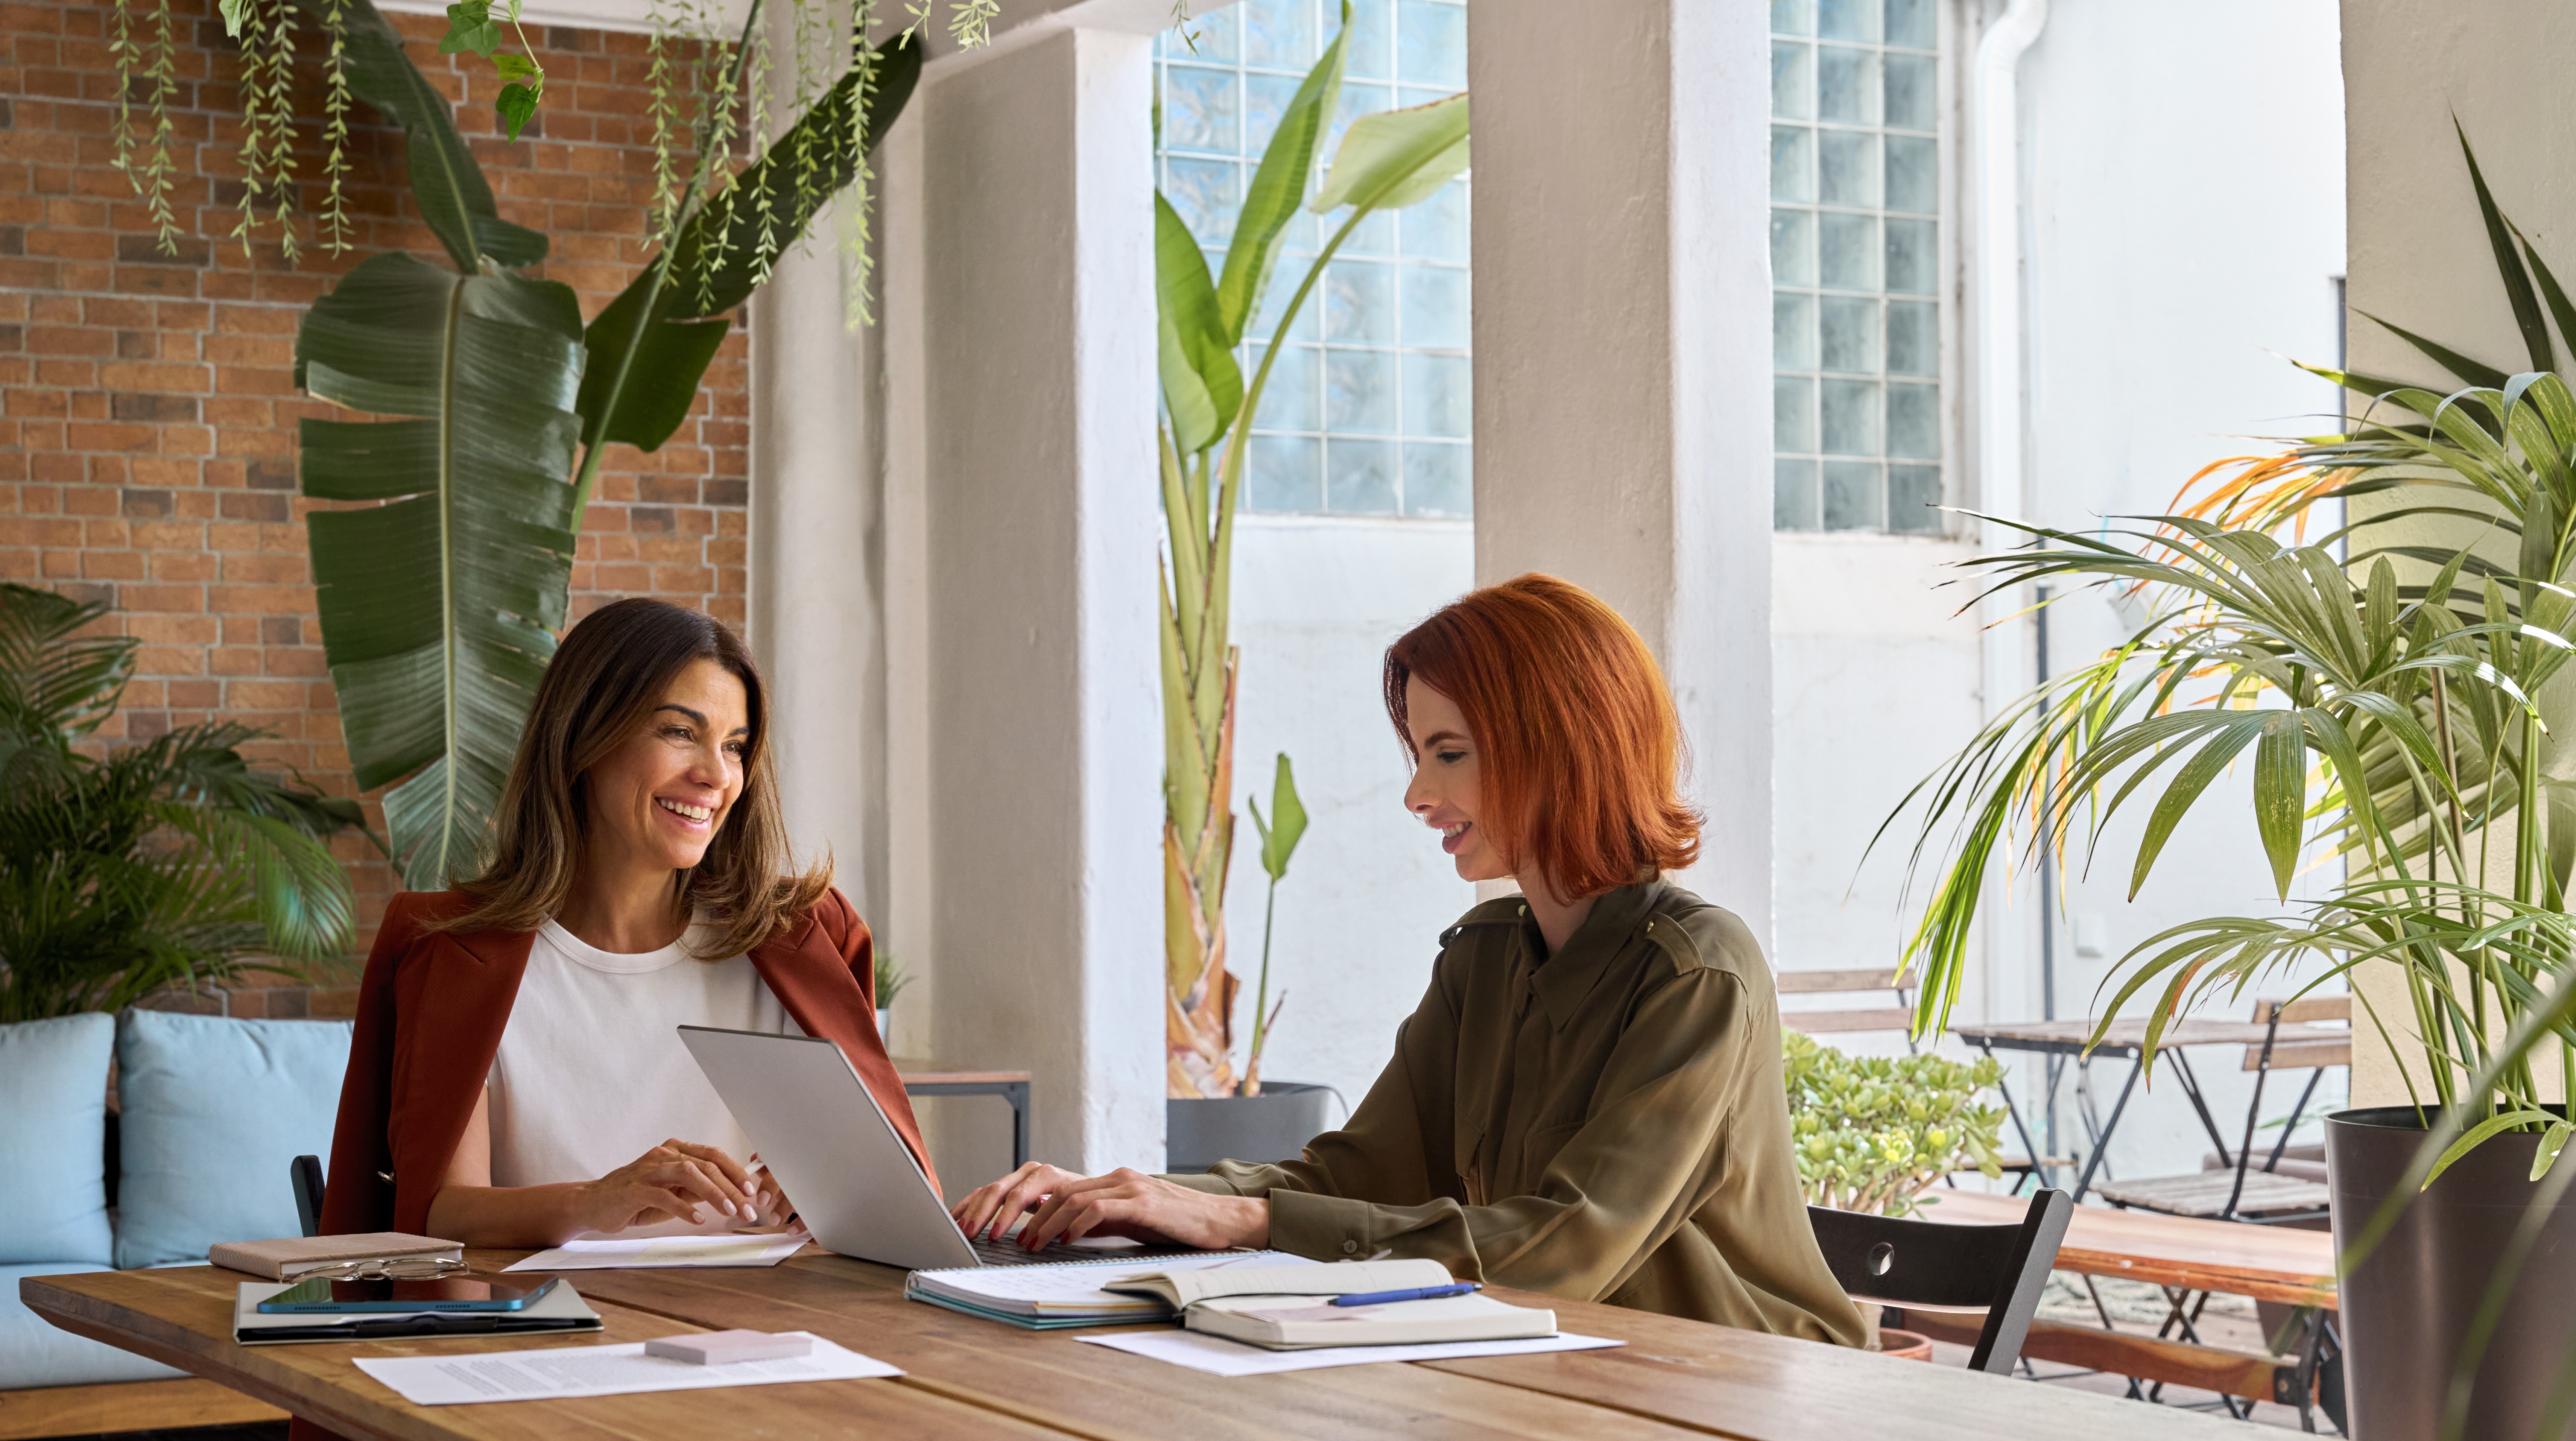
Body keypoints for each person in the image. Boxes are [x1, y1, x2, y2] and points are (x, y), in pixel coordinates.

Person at [951, 574, 1864, 1343]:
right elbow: (1347, 1175)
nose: (1417, 794)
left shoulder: (1697, 971)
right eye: (1420, 754)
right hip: (1554, 1375)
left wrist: (1248, 1219)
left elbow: (1566, 1247)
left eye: (1450, 753)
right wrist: (1139, 1196)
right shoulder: (1484, 960)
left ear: (1561, 747)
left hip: (1743, 1390)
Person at [315, 598, 932, 1248]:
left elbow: (890, 1202)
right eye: (679, 732)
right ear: (585, 736)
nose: (716, 775)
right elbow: (440, 1214)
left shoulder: (804, 937)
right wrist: (597, 1201)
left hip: (777, 1333)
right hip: (554, 1332)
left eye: (735, 746)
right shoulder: (455, 951)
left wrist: (829, 1185)